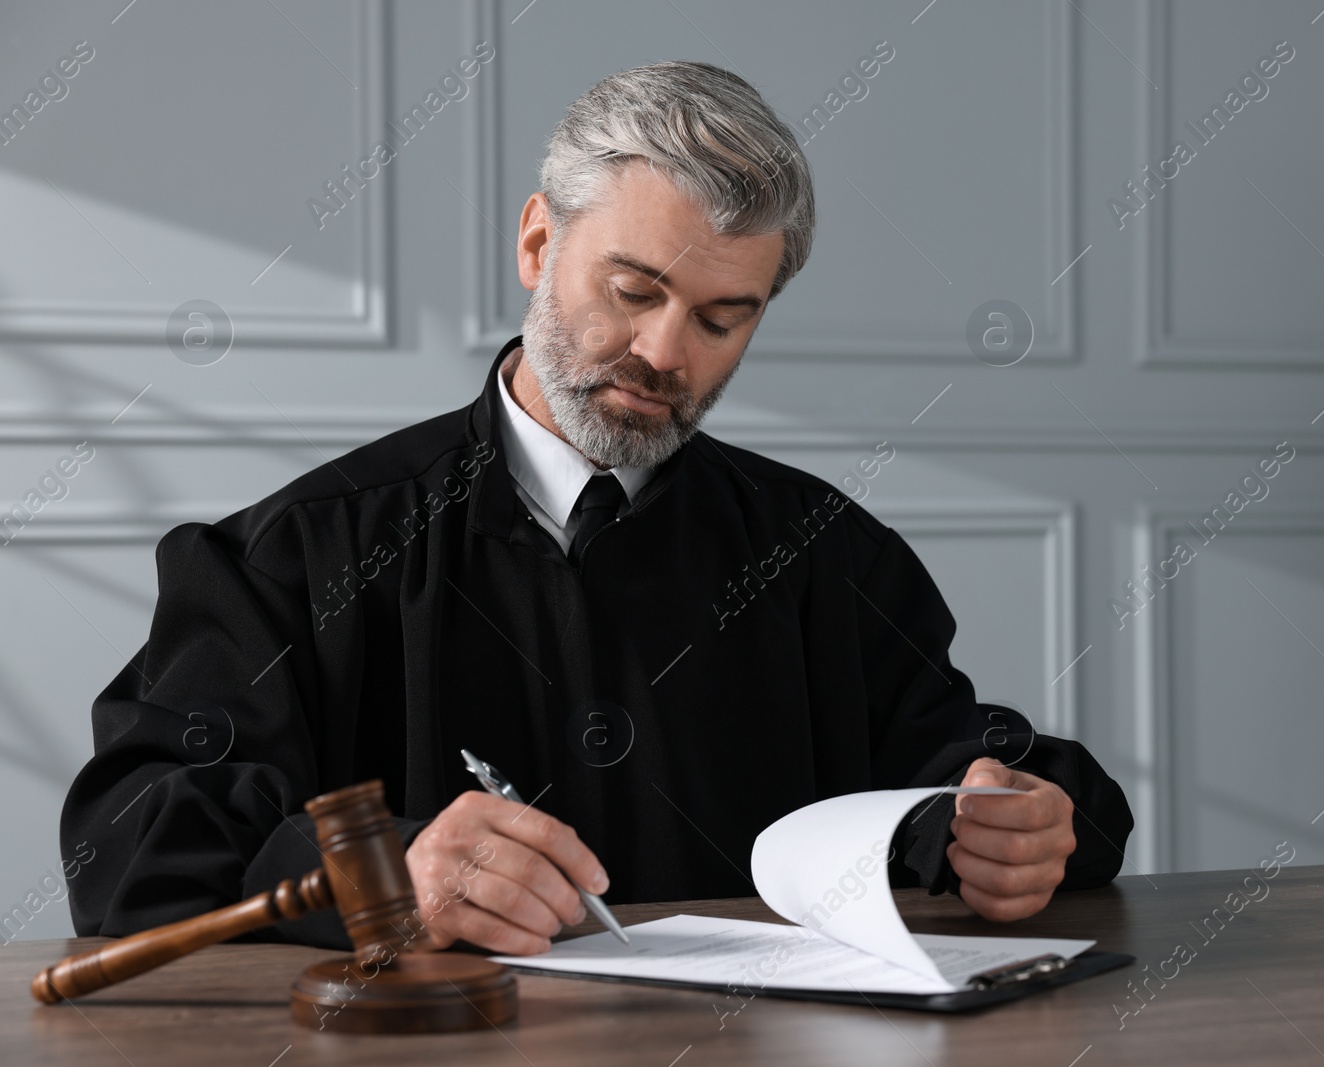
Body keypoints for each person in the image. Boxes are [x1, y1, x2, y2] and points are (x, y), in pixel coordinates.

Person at [61, 61, 1133, 955]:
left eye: (722, 317)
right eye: (634, 292)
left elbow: (976, 771)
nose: (667, 353)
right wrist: (376, 873)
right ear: (538, 244)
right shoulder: (290, 555)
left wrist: (1026, 825)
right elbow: (121, 846)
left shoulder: (831, 556)